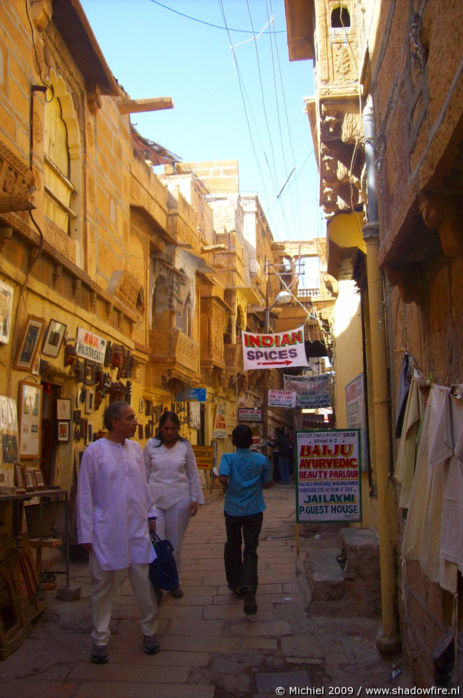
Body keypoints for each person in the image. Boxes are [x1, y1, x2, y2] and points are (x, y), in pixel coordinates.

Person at [77, 401, 159, 665]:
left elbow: (143, 485)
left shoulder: (136, 450)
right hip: (106, 530)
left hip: (136, 528)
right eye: (130, 418)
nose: (135, 422)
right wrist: (86, 533)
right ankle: (100, 638)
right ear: (115, 422)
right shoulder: (94, 452)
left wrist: (151, 513)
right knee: (102, 585)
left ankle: (150, 630)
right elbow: (85, 494)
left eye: (134, 417)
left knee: (142, 582)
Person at [144, 411, 204, 600]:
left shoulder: (185, 446)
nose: (169, 432)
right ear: (160, 428)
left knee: (175, 544)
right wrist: (143, 504)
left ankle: (174, 581)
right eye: (166, 429)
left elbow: (193, 473)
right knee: (157, 544)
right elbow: (144, 475)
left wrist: (195, 499)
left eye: (172, 429)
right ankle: (157, 582)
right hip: (155, 500)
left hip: (179, 499)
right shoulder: (151, 446)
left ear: (177, 429)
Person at [218, 424, 273, 615]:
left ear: (233, 442)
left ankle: (235, 584)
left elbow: (222, 477)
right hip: (254, 509)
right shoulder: (261, 460)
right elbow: (267, 483)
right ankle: (249, 585)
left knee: (233, 546)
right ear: (252, 441)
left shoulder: (227, 458)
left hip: (233, 510)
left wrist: (227, 486)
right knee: (250, 549)